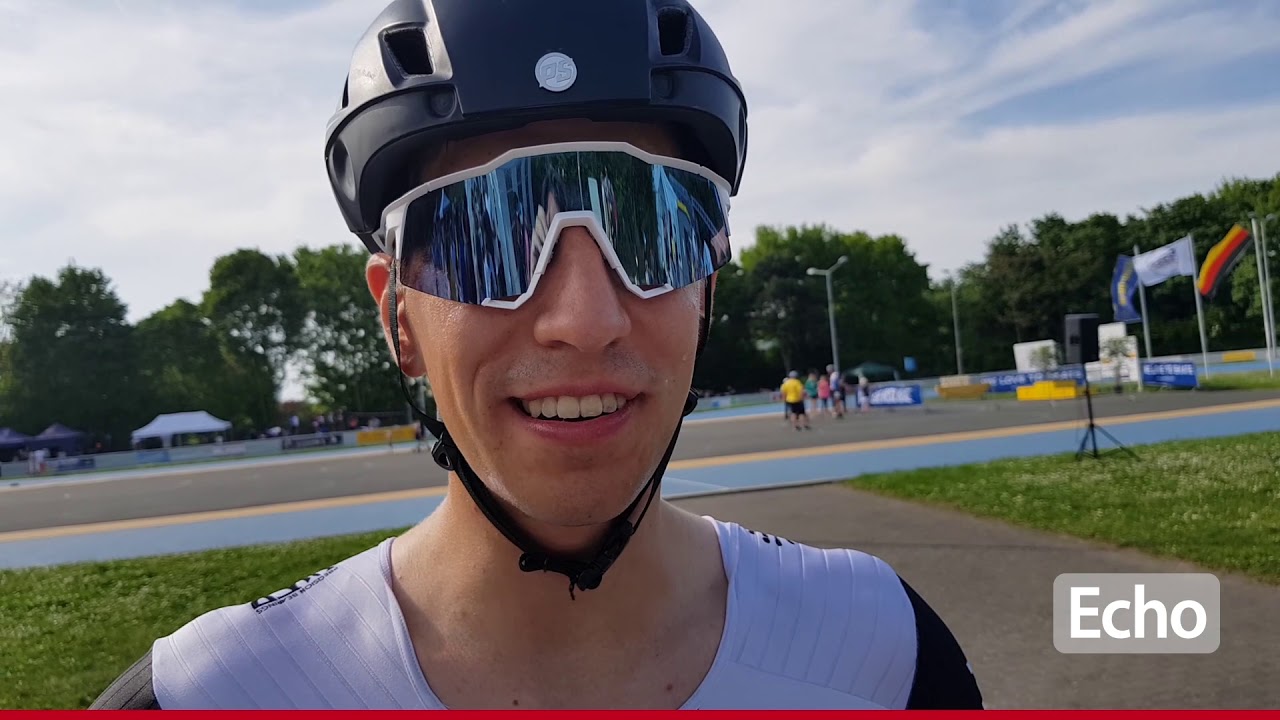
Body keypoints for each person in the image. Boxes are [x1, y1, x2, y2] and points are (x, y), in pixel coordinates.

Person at [89, 0, 982, 710]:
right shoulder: (213, 694)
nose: (583, 319)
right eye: (486, 237)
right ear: (396, 316)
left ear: (707, 287)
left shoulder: (884, 654)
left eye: (652, 225)